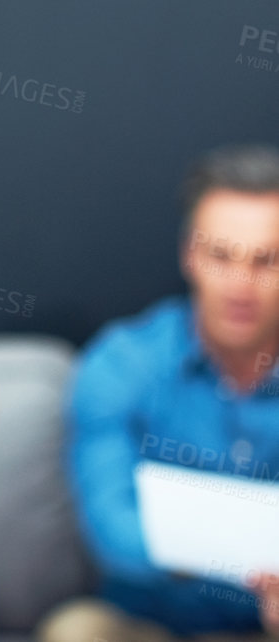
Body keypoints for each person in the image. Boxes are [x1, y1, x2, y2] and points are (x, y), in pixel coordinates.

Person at [38, 144, 279, 642]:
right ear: (190, 255)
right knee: (76, 633)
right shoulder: (123, 364)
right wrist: (247, 555)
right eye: (221, 255)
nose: (241, 284)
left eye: (266, 261)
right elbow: (113, 534)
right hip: (148, 626)